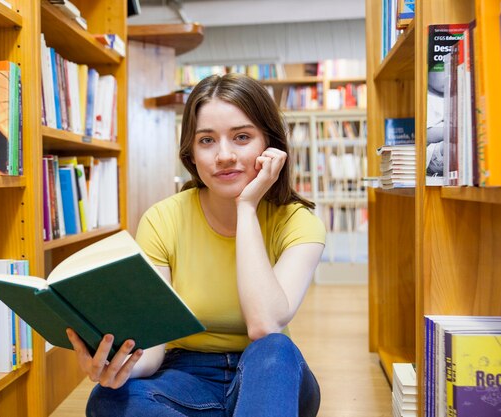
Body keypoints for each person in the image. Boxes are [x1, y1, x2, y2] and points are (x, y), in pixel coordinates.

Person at [66, 72, 326, 417]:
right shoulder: (163, 220)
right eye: (207, 140)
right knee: (108, 399)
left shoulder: (298, 221)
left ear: (270, 146)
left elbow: (264, 324)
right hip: (185, 376)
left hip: (269, 375)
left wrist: (246, 207)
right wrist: (119, 366)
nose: (224, 155)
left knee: (275, 348)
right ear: (190, 152)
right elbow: (155, 345)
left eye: (242, 137)